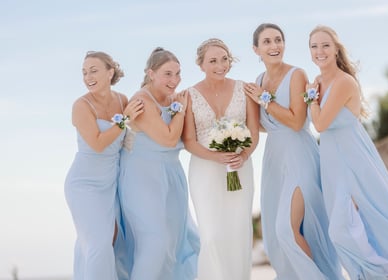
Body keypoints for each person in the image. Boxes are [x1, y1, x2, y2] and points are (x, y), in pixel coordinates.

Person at [244, 23, 343, 279]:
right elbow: (269, 125)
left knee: (286, 230)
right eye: (267, 42)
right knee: (275, 239)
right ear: (256, 49)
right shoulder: (258, 81)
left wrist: (265, 99)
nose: (274, 46)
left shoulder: (296, 74)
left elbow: (296, 121)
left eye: (278, 39)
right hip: (273, 160)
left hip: (299, 155)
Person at [307, 25, 388, 280]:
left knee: (372, 217)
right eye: (314, 46)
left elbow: (321, 124)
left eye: (325, 45)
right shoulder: (318, 83)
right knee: (344, 228)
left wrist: (310, 99)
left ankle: (384, 273)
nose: (319, 51)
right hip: (332, 162)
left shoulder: (343, 82)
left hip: (353, 158)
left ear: (336, 49)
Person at [118, 47, 200, 280]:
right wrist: (181, 111)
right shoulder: (142, 101)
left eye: (178, 74)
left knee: (177, 241)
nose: (174, 80)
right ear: (151, 73)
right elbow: (168, 138)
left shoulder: (174, 98)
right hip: (142, 176)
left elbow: (186, 139)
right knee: (155, 241)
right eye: (168, 74)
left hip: (172, 174)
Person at [182, 38, 259, 280]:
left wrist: (244, 155)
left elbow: (254, 133)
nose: (220, 65)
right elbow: (189, 141)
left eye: (224, 59)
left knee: (238, 231)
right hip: (204, 170)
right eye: (213, 60)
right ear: (201, 64)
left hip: (240, 168)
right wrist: (216, 157)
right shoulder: (189, 95)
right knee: (212, 234)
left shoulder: (243, 89)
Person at [64, 51, 144, 280]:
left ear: (110, 72)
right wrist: (125, 121)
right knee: (98, 244)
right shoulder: (81, 106)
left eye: (93, 70)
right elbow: (98, 144)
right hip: (84, 184)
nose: (88, 76)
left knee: (117, 243)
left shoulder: (122, 100)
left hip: (113, 183)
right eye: (84, 72)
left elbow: (135, 135)